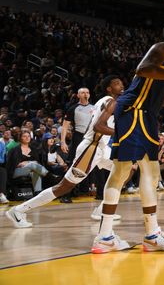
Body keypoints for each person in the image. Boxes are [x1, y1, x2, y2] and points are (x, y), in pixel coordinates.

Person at [90, 22, 164, 253]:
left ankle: (109, 237)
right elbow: (142, 69)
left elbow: (158, 97)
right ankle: (147, 236)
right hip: (136, 112)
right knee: (143, 173)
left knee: (127, 172)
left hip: (142, 113)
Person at [6, 76, 125, 228]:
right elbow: (98, 127)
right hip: (91, 148)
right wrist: (121, 133)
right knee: (64, 186)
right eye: (116, 83)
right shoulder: (110, 101)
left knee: (126, 169)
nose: (121, 85)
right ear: (109, 88)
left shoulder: (105, 101)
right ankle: (18, 211)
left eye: (121, 82)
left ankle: (102, 209)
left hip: (101, 148)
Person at [60, 87, 95, 203]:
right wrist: (63, 142)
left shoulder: (94, 108)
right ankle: (66, 194)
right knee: (73, 164)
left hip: (91, 138)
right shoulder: (73, 108)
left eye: (87, 92)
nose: (86, 94)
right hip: (78, 137)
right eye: (83, 92)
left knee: (96, 163)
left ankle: (99, 193)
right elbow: (65, 127)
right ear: (78, 95)